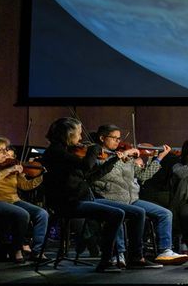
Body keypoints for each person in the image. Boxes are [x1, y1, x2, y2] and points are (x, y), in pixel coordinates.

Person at [39, 117, 129, 273]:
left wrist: (112, 160)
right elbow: (86, 166)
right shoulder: (56, 152)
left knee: (126, 212)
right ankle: (106, 260)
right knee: (116, 214)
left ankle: (126, 255)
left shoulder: (65, 151)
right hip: (66, 203)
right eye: (79, 134)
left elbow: (89, 176)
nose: (81, 138)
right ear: (69, 133)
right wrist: (93, 149)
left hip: (78, 198)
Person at [90, 124, 187, 266]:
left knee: (165, 213)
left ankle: (165, 251)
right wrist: (123, 155)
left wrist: (159, 158)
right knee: (120, 214)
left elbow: (143, 176)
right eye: (114, 138)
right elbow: (97, 170)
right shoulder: (95, 155)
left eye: (119, 138)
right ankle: (120, 254)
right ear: (102, 138)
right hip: (109, 198)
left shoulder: (124, 157)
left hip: (132, 199)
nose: (118, 142)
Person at [0, 135, 48, 264]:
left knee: (42, 213)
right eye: (1, 150)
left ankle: (37, 251)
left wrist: (41, 177)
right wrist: (8, 170)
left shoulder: (9, 165)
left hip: (12, 199)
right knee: (22, 214)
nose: (5, 153)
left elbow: (24, 186)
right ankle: (17, 250)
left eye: (5, 149)